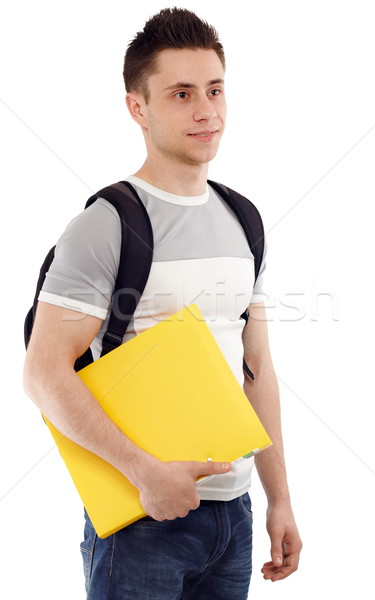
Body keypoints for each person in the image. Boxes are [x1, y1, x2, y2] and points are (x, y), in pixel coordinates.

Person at [23, 7, 302, 599]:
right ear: (138, 107)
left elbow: (258, 372)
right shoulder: (107, 225)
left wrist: (278, 498)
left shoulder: (243, 218)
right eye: (181, 93)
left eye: (215, 89)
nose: (206, 111)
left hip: (236, 519)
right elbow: (43, 373)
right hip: (142, 521)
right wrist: (146, 474)